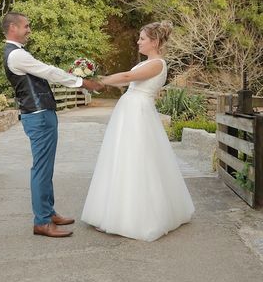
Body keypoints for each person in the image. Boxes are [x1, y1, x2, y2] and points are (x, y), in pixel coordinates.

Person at [81, 21, 195, 241]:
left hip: (138, 113)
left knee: (137, 158)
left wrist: (98, 82)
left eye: (142, 38)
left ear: (154, 42)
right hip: (129, 110)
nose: (138, 41)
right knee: (122, 157)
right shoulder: (146, 63)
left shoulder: (157, 64)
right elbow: (127, 80)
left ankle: (136, 216)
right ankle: (113, 211)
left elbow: (126, 78)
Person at [2, 12, 103, 238]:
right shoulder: (16, 55)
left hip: (40, 114)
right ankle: (42, 222)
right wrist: (81, 82)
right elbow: (48, 71)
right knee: (41, 169)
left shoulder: (18, 53)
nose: (29, 30)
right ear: (12, 28)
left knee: (45, 168)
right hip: (38, 116)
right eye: (26, 26)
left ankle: (48, 212)